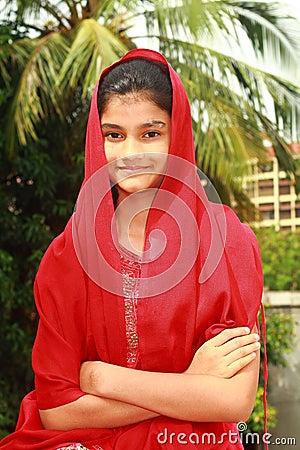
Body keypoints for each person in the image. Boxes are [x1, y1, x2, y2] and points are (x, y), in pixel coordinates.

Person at [0, 48, 264, 450]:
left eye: (151, 133)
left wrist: (104, 380)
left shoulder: (228, 242)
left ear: (177, 133)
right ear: (97, 137)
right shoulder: (70, 252)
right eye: (115, 135)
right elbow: (56, 410)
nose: (130, 155)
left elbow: (232, 401)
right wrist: (189, 386)